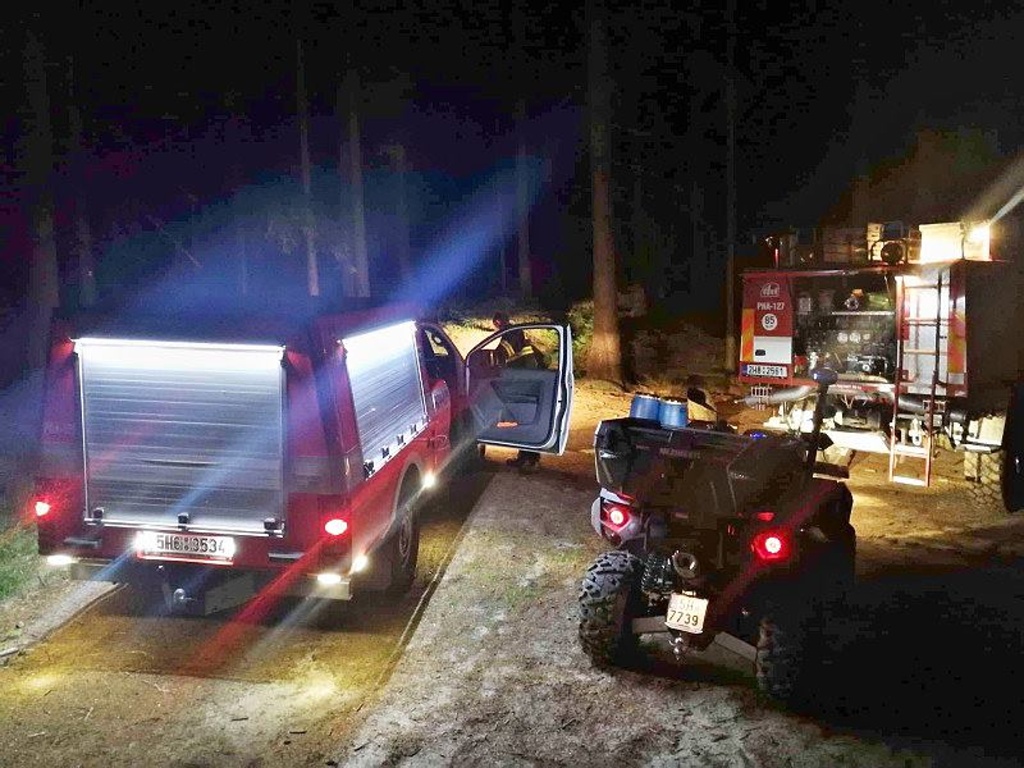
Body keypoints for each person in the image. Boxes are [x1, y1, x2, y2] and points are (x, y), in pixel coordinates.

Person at [492, 312, 541, 473]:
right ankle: (525, 457)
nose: (496, 328)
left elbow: (501, 353)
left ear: (498, 322)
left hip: (524, 379)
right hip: (526, 377)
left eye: (496, 325)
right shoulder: (515, 331)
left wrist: (489, 363)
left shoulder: (510, 333)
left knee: (524, 418)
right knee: (524, 419)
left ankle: (531, 459)